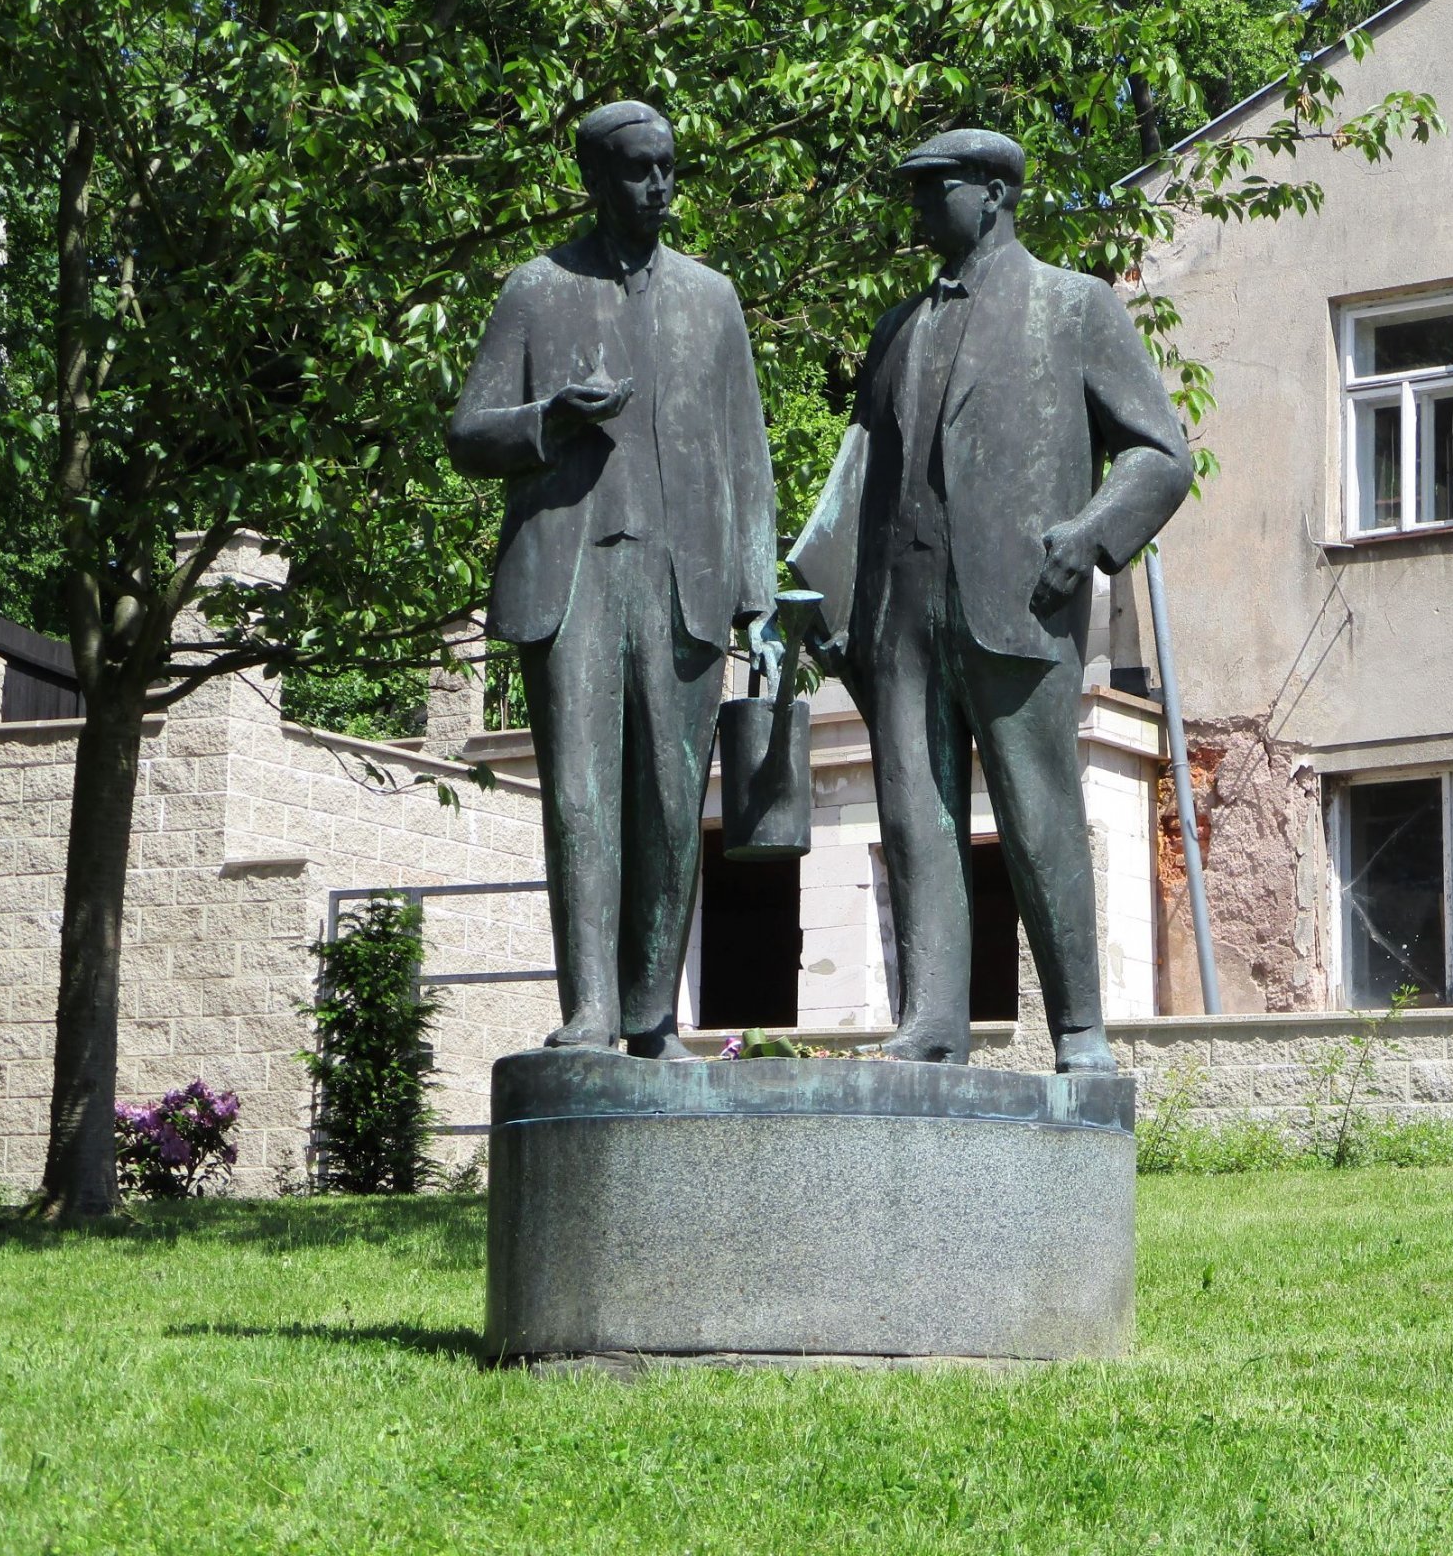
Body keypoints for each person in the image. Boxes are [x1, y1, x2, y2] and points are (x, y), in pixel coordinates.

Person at [789, 129, 1191, 1073]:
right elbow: (856, 474)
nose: (918, 207)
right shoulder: (895, 328)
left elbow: (1157, 455)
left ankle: (1079, 1031)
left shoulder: (1073, 306)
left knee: (1037, 810)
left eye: (935, 189)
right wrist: (817, 589)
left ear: (994, 192)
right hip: (900, 615)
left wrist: (1090, 537)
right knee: (913, 813)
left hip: (1018, 604)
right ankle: (931, 1020)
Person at [448, 101, 779, 1060]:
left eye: (669, 168)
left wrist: (756, 595)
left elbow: (746, 454)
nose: (658, 187)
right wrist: (548, 415)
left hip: (686, 585)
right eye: (637, 171)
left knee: (674, 809)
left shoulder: (711, 298)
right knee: (583, 803)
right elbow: (468, 433)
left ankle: (651, 1017)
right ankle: (589, 1009)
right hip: (575, 579)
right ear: (594, 180)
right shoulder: (537, 290)